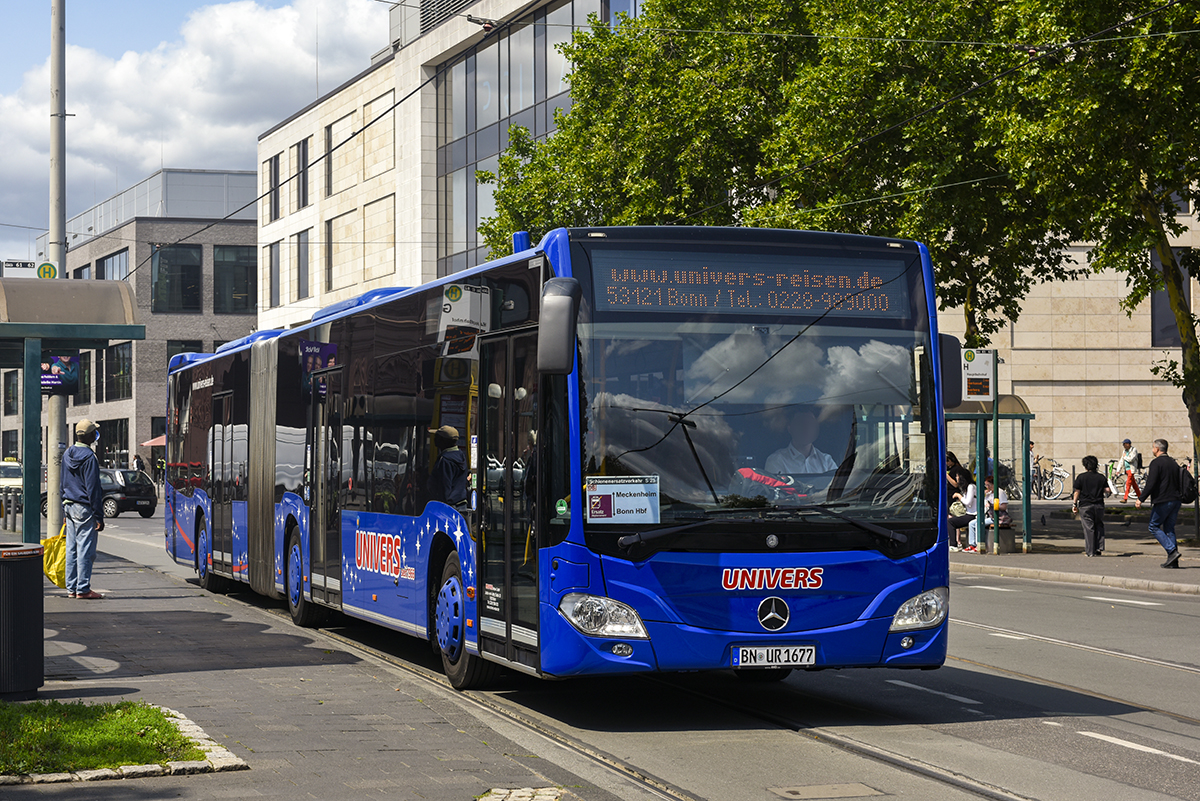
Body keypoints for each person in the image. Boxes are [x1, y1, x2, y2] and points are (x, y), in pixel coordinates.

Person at [63, 419, 105, 599]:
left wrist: (63, 507)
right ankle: (83, 589)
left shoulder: (67, 454)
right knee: (85, 550)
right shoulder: (89, 457)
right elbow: (93, 488)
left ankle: (71, 588)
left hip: (69, 506)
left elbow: (62, 482)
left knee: (71, 548)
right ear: (89, 436)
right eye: (94, 433)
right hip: (84, 508)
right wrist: (98, 515)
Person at [1135, 438, 1182, 568]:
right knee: (1169, 529)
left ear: (1157, 448)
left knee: (1153, 526)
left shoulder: (1156, 463)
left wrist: (1141, 499)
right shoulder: (1173, 463)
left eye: (1152, 447)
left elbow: (1151, 483)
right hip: (1176, 500)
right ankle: (1174, 561)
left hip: (1163, 500)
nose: (1152, 449)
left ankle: (1172, 552)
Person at [765, 407, 838, 475]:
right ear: (790, 428)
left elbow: (838, 485)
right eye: (801, 423)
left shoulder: (826, 461)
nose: (806, 428)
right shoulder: (776, 461)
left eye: (810, 423)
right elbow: (774, 488)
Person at [1073, 455, 1108, 557]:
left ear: (1085, 466)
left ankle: (1090, 551)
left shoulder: (1081, 477)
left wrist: (1074, 504)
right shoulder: (1101, 477)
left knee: (1089, 528)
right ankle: (1099, 547)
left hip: (1085, 505)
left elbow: (1077, 492)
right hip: (1099, 505)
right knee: (1099, 525)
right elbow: (1107, 491)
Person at [427, 424, 467, 506]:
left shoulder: (445, 460)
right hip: (460, 504)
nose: (434, 439)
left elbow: (444, 487)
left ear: (443, 440)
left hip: (448, 507)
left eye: (437, 437)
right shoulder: (460, 455)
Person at [968, 474, 1008, 552]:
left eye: (988, 485)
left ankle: (979, 543)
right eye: (985, 485)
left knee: (978, 524)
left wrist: (993, 505)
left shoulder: (1000, 492)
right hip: (989, 515)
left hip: (998, 516)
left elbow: (1004, 507)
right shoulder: (989, 493)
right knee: (971, 523)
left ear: (993, 484)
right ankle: (972, 544)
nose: (987, 487)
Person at [948, 475, 977, 551]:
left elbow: (968, 502)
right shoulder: (967, 488)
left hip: (973, 514)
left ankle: (953, 545)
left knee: (950, 522)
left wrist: (959, 496)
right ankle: (956, 543)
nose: (956, 479)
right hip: (969, 513)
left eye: (957, 477)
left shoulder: (971, 487)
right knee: (952, 519)